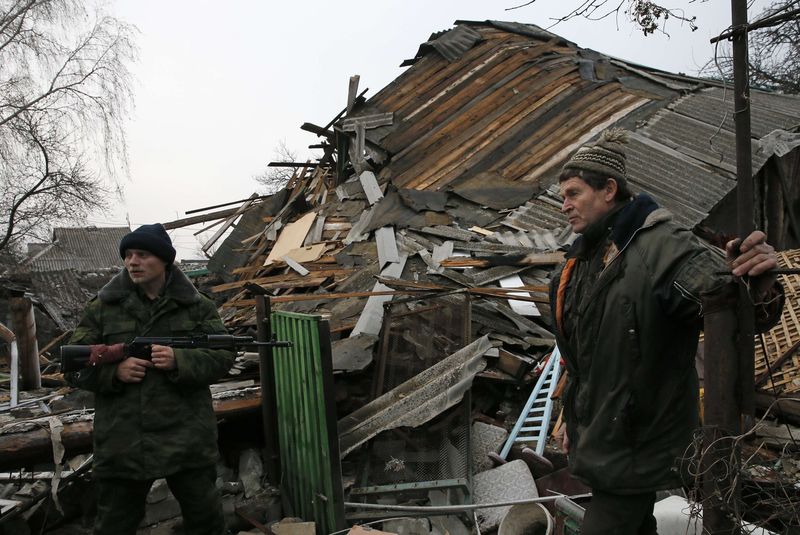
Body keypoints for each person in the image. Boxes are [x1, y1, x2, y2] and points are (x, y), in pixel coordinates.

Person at [549, 130, 784, 535]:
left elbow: (734, 307)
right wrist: (572, 417)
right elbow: (582, 359)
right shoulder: (580, 263)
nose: (565, 206)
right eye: (562, 198)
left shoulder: (663, 248)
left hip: (637, 442)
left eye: (573, 193)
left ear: (609, 189)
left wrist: (757, 282)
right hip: (603, 437)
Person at [67, 223, 235, 535]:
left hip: (186, 437)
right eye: (129, 255)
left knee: (207, 522)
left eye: (142, 255)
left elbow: (224, 354)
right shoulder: (103, 307)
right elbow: (74, 362)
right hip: (123, 439)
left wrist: (179, 360)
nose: (132, 262)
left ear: (164, 260)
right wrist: (113, 372)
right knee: (114, 526)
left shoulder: (197, 306)